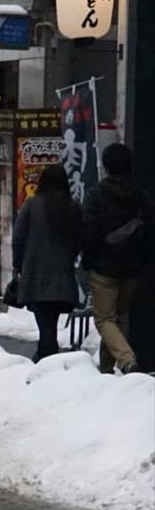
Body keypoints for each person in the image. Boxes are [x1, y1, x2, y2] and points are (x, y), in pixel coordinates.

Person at [82, 141, 150, 374]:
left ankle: (126, 359)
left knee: (104, 319)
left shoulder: (97, 195)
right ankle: (106, 370)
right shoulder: (140, 196)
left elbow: (89, 231)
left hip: (104, 265)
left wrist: (88, 259)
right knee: (120, 316)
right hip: (132, 266)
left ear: (106, 166)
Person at [11, 162, 82, 360]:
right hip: (62, 276)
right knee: (51, 319)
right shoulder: (73, 207)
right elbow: (80, 239)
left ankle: (46, 354)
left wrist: (18, 264)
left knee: (44, 320)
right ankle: (47, 351)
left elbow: (18, 237)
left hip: (36, 273)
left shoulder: (32, 205)